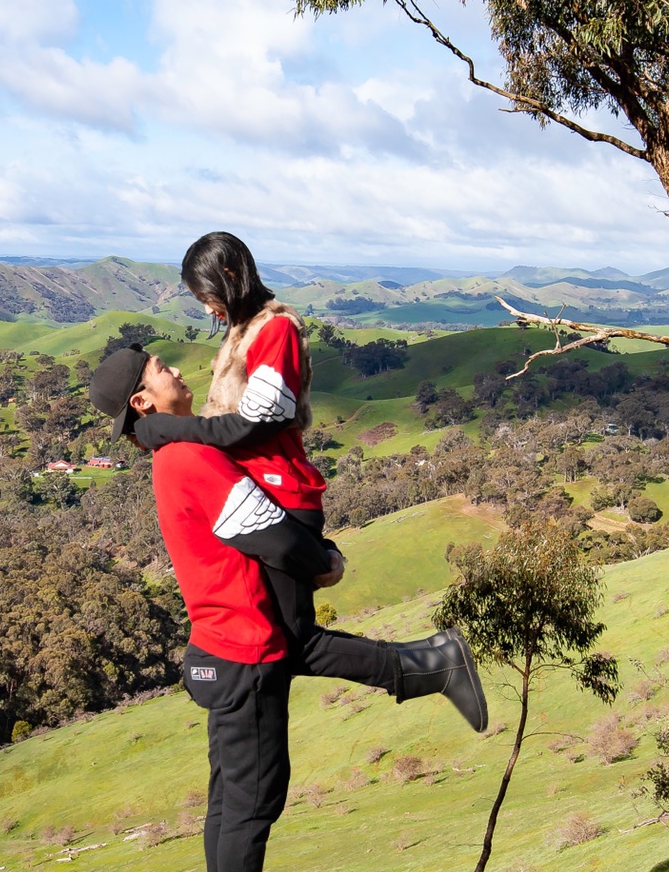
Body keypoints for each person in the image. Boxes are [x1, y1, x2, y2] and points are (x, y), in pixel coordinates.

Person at [89, 345, 485, 872]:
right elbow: (265, 529)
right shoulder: (188, 457)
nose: (178, 372)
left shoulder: (173, 454)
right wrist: (321, 560)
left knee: (229, 800)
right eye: (163, 370)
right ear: (142, 400)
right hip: (242, 651)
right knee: (252, 799)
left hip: (229, 645)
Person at [133, 233, 483, 711]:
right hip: (263, 495)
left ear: (230, 276)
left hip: (282, 494)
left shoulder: (275, 331)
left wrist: (172, 431)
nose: (210, 309)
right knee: (285, 640)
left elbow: (256, 421)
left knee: (290, 643)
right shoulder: (241, 334)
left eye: (209, 296)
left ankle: (436, 665)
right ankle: (433, 663)